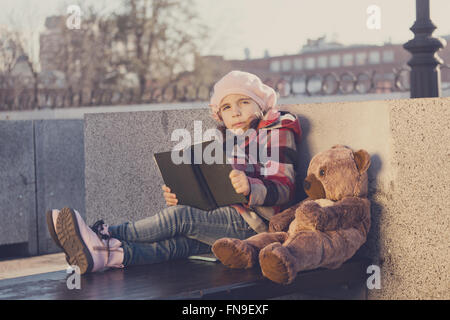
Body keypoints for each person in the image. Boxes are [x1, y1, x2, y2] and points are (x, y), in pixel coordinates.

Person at [46, 70, 302, 274]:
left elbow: (285, 188)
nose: (235, 111)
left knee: (179, 218)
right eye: (226, 107)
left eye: (243, 102)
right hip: (225, 219)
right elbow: (213, 192)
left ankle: (102, 234)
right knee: (177, 245)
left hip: (257, 226)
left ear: (259, 105)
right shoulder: (222, 143)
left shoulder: (276, 130)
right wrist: (184, 194)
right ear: (219, 115)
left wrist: (250, 187)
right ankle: (107, 255)